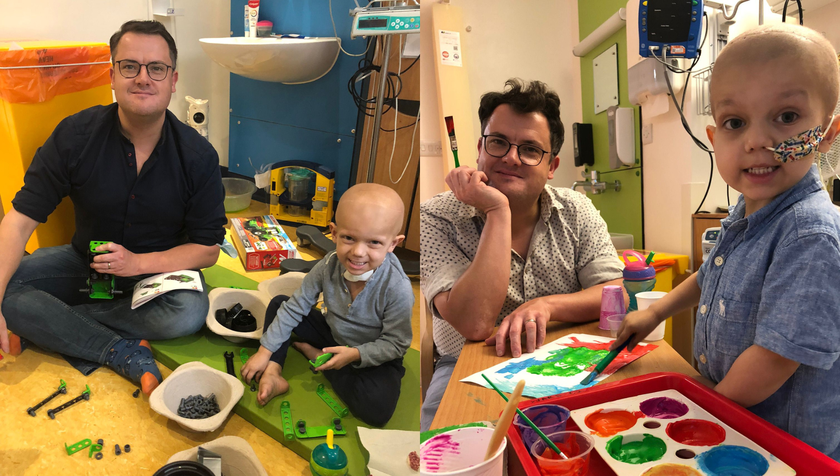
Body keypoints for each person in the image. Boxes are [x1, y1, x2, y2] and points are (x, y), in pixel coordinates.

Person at [614, 24, 840, 460]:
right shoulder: (745, 210)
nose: (756, 141)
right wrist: (656, 311)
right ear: (715, 139)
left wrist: (698, 405)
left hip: (782, 448)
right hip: (733, 420)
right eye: (735, 123)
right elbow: (712, 272)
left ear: (828, 133)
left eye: (787, 116)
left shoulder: (809, 235)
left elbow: (773, 359)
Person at [0, 20, 226, 396]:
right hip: (87, 265)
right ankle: (118, 349)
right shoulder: (75, 135)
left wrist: (137, 264)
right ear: (112, 75)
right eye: (129, 66)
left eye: (156, 68)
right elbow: (20, 219)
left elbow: (207, 250)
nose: (142, 78)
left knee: (188, 312)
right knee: (7, 284)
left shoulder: (198, 156)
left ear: (172, 80)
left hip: (157, 276)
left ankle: (60, 325)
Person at [420, 79, 625, 431]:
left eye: (530, 149)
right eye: (498, 142)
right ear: (480, 150)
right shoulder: (436, 216)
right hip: (466, 370)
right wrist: (498, 210)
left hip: (566, 361)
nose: (511, 158)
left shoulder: (577, 209)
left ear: (552, 166)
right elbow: (474, 323)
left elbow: (614, 292)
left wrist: (546, 306)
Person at [240, 183, 413, 427]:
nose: (358, 252)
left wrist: (354, 355)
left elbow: (396, 344)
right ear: (333, 232)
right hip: (333, 335)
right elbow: (295, 307)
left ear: (393, 244)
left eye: (374, 242)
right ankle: (274, 372)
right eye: (349, 238)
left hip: (372, 351)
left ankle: (320, 358)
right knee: (280, 304)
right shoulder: (328, 265)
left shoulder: (398, 287)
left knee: (377, 409)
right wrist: (265, 353)